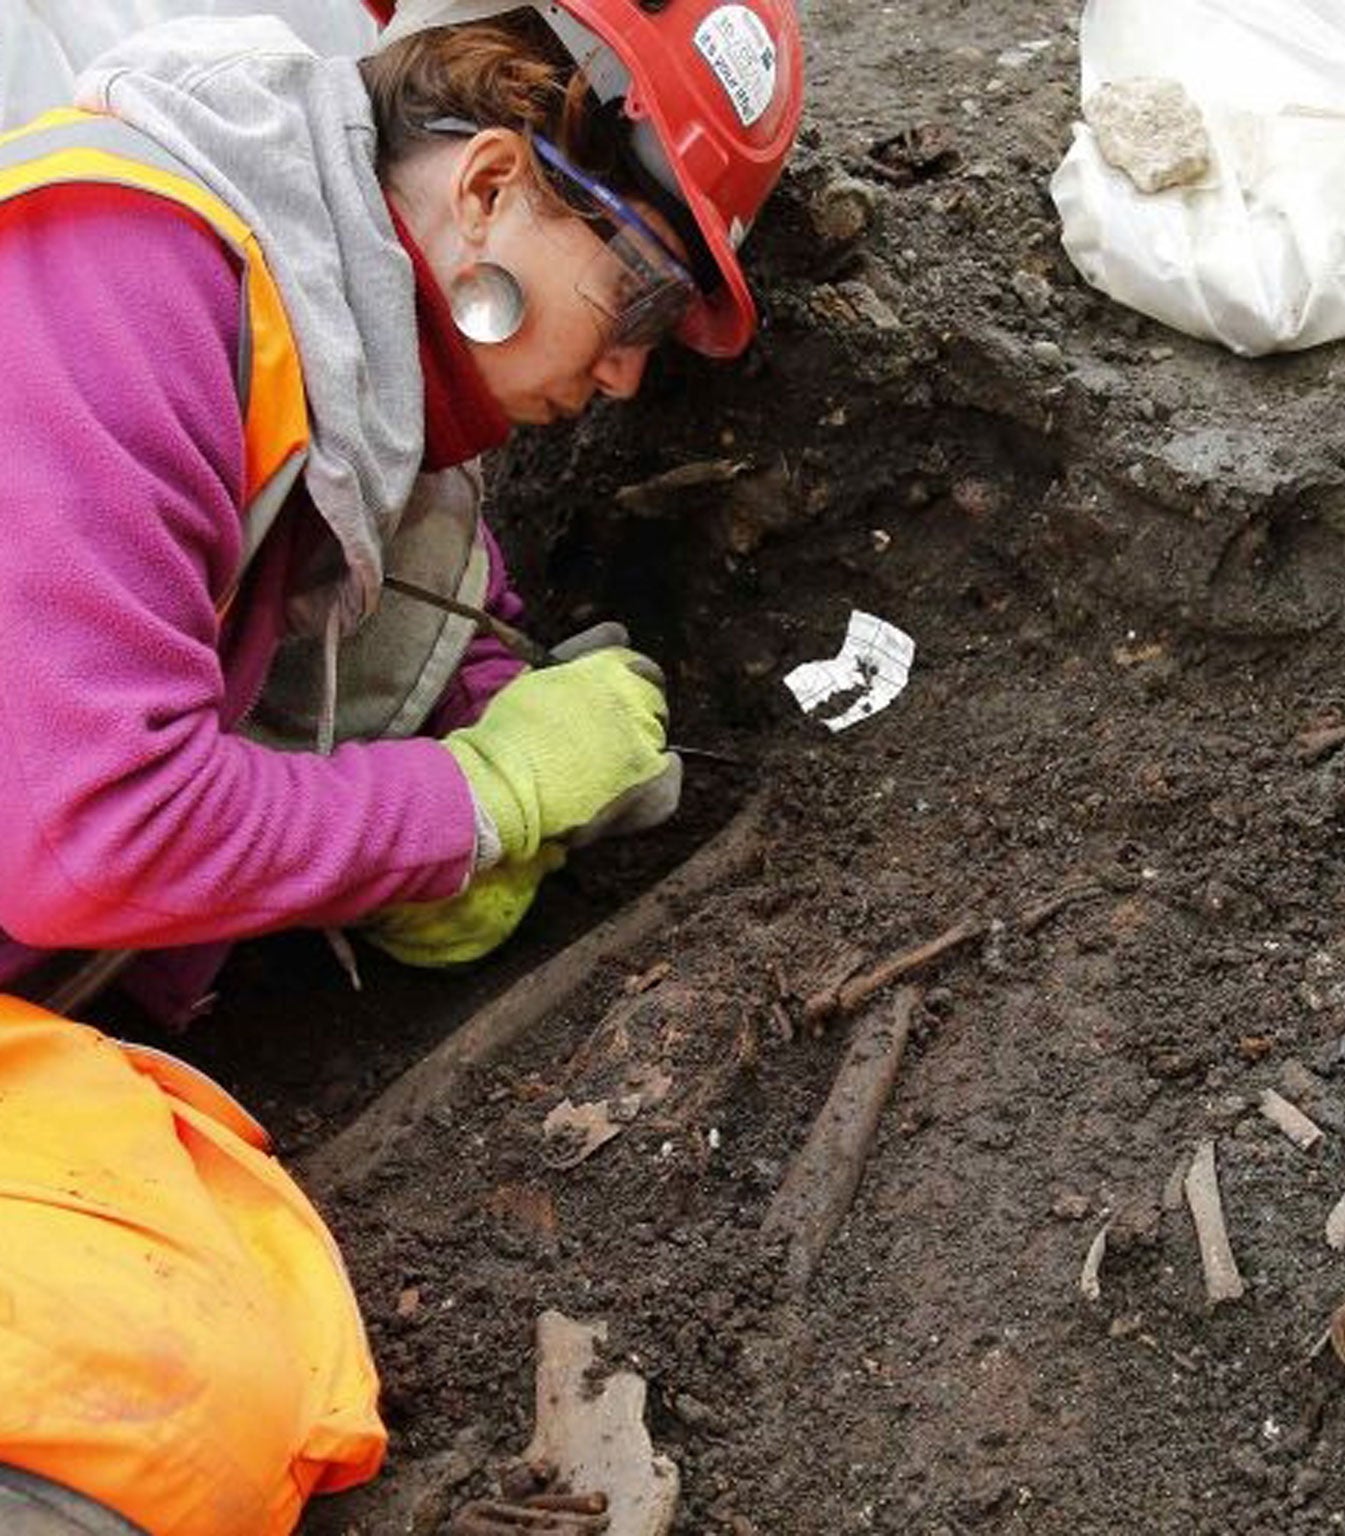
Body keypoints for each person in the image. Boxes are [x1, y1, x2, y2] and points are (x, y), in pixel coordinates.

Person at [0, 1, 802, 1531]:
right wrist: (471, 804)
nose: (630, 377)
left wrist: (495, 744)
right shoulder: (131, 270)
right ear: (492, 184)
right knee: (160, 1404)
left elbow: (423, 609)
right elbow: (90, 831)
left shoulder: (354, 347)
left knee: (239, 1325)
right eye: (632, 303)